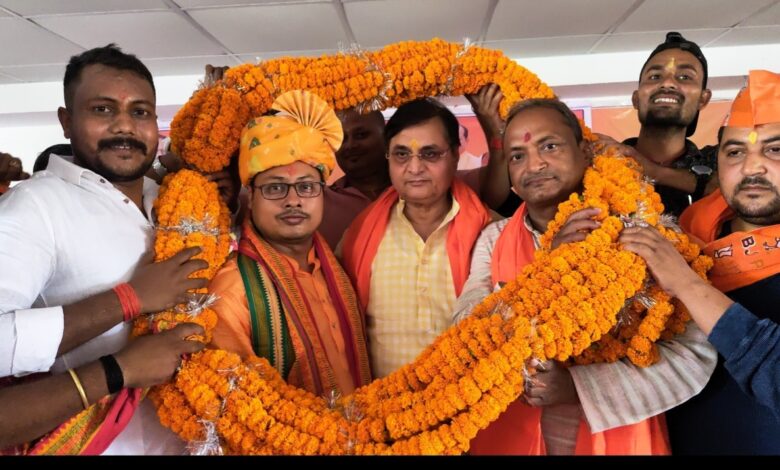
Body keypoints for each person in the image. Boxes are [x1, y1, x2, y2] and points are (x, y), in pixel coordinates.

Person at [452, 98, 716, 455]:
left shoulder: (646, 234)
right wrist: (551, 267)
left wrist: (579, 386)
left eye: (549, 146)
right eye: (517, 155)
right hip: (510, 435)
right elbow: (466, 328)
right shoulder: (493, 239)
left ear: (585, 150)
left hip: (618, 437)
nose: (534, 164)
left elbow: (693, 357)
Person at [0, 44, 207, 454]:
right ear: (66, 121)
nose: (125, 126)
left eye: (140, 112)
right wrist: (129, 300)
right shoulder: (35, 207)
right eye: (103, 109)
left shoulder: (171, 198)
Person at [632, 70, 780, 455]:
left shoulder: (678, 266)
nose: (751, 167)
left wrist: (687, 284)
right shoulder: (686, 235)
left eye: (775, 150)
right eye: (735, 152)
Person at [209, 90, 371, 396]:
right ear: (251, 196)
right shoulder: (234, 291)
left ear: (323, 193)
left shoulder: (337, 268)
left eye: (306, 186)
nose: (293, 200)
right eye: (275, 188)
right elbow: (239, 404)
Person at [341, 97, 493, 379]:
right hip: (382, 403)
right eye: (401, 154)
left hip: (472, 401)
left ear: (455, 155)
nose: (414, 168)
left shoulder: (490, 233)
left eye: (430, 154)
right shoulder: (359, 235)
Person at [621, 31, 717, 217]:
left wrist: (653, 172)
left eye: (685, 77)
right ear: (636, 99)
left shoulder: (718, 163)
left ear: (703, 99)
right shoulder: (601, 163)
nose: (667, 83)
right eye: (655, 76)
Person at [321, 108, 391, 248]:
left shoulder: (414, 190)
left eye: (361, 135)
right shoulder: (320, 203)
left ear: (386, 137)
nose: (350, 145)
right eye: (341, 138)